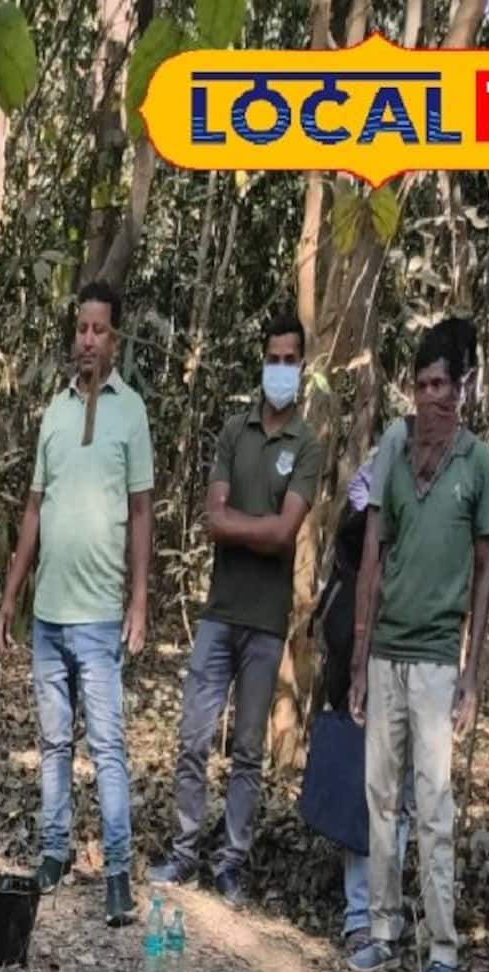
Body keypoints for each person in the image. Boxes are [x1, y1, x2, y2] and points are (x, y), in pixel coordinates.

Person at [346, 317, 489, 972]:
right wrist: (358, 652)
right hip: (386, 652)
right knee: (382, 797)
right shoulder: (394, 445)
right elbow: (372, 551)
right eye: (420, 385)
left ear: (462, 388)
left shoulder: (478, 461)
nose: (429, 396)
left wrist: (471, 671)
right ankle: (380, 930)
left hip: (438, 658)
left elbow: (486, 567)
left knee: (434, 805)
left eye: (441, 384)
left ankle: (442, 950)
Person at [152, 312, 323, 906]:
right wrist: (262, 526)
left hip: (266, 621)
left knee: (248, 749)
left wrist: (241, 527)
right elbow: (212, 518)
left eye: (289, 359)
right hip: (218, 613)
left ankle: (231, 863)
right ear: (262, 362)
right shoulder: (234, 431)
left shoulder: (307, 445)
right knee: (194, 737)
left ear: (302, 365)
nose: (280, 368)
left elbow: (284, 535)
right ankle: (183, 850)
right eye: (272, 358)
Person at [0, 279, 153, 928]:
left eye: (100, 330)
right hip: (49, 611)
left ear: (115, 338)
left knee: (109, 747)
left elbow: (142, 512)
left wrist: (139, 601)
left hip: (98, 614)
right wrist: (11, 595)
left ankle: (117, 872)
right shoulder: (54, 412)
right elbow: (34, 508)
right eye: (82, 329)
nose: (88, 340)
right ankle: (54, 852)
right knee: (54, 741)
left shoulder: (131, 412)